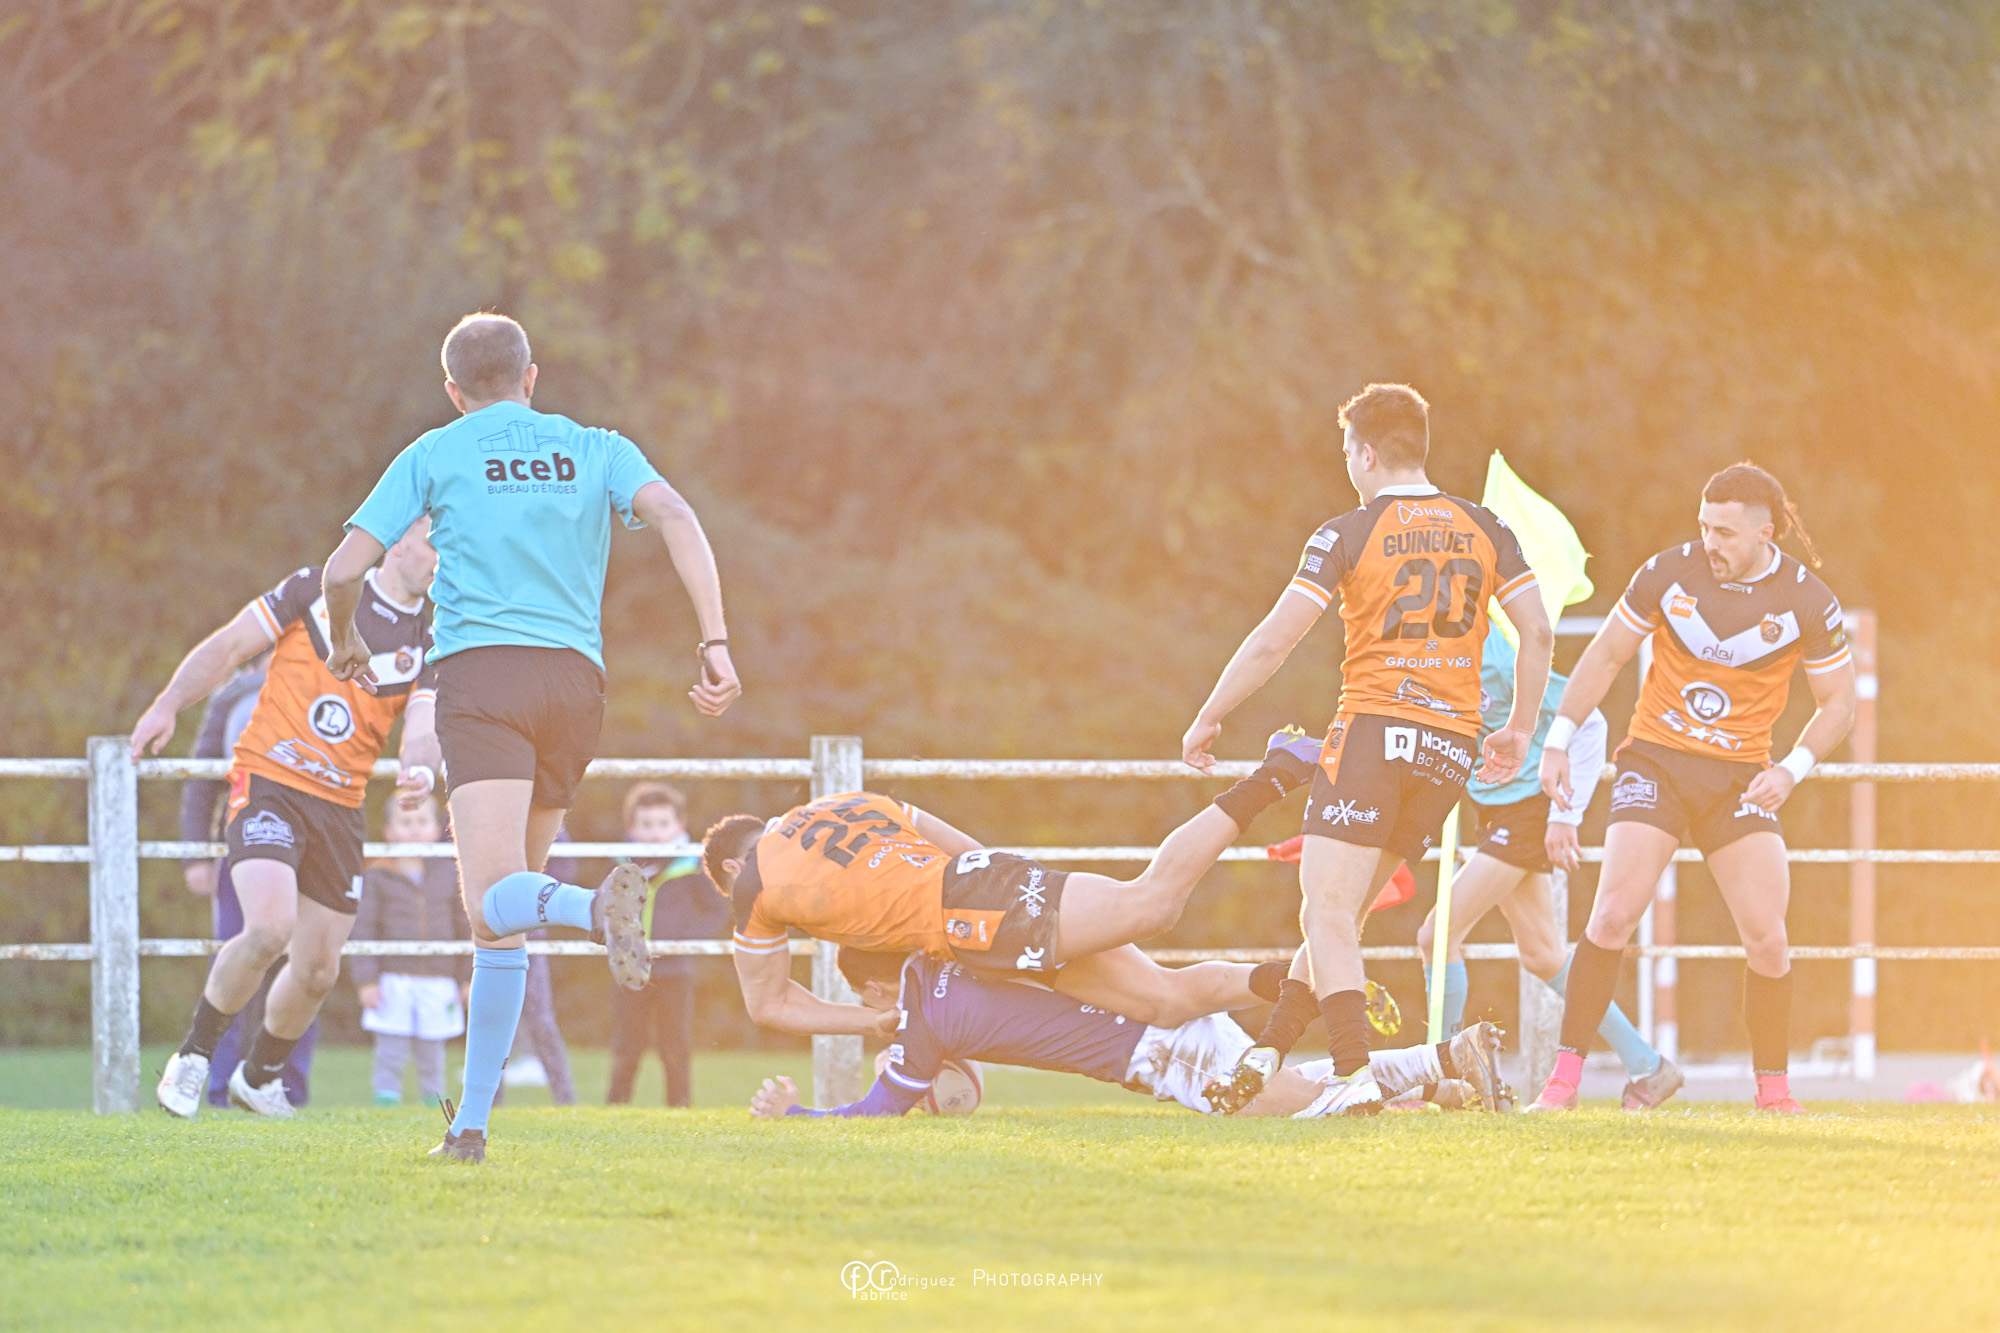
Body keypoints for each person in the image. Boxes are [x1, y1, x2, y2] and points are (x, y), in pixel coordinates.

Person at [326, 312, 740, 1162]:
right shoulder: (596, 447)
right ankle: (470, 1127)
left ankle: (592, 908)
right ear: (530, 377)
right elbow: (675, 512)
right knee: (504, 922)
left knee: (490, 901)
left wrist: (345, 639)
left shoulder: (434, 451)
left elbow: (342, 570)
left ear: (453, 391)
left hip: (483, 680)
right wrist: (716, 641)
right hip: (575, 687)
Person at [1182, 383, 1554, 1117]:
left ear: (1366, 453)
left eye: (1346, 451)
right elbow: (1538, 631)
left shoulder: (1348, 532)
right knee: (1340, 918)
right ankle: (1272, 1048)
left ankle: (1353, 1078)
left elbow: (1275, 640)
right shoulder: (1486, 527)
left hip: (1375, 734)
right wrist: (1519, 728)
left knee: (1324, 908)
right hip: (1450, 747)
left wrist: (1209, 714)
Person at [1526, 463, 1856, 1113]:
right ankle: (1560, 1086)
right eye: (1704, 527)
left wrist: (1790, 769)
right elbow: (1608, 654)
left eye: (1725, 532)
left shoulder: (1807, 600)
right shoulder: (1668, 572)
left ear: (1765, 532)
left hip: (1739, 778)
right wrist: (1557, 739)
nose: (1710, 542)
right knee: (1612, 915)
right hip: (1657, 762)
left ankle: (1774, 1095)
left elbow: (1839, 702)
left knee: (1768, 937)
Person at [701, 728, 1327, 1043]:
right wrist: (1003, 891)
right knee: (1162, 1003)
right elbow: (965, 849)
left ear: (732, 868)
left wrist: (873, 1023)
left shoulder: (753, 884)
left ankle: (1280, 767)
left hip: (975, 919)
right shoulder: (846, 802)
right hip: (978, 900)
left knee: (1152, 904)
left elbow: (768, 1005)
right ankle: (1314, 984)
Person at [141, 521, 441, 1119]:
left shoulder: (432, 637)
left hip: (341, 807)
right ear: (400, 541)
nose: (445, 559)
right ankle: (193, 1057)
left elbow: (424, 724)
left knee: (319, 970)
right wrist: (168, 703)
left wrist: (421, 770)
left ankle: (260, 1077)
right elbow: (231, 645)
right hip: (269, 782)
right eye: (439, 544)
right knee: (269, 928)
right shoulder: (316, 588)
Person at [747, 947, 1506, 1119]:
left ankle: (1422, 1097)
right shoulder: (946, 953)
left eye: (866, 999)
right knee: (1292, 1086)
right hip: (1155, 1010)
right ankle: (1447, 1058)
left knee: (1298, 1111)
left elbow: (876, 1111)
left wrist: (795, 1114)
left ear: (873, 987)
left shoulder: (922, 1020)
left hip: (1154, 1052)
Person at [1414, 623, 1680, 1109]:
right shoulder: (1417, 651)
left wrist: (1564, 815)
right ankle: (1648, 1065)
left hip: (1527, 813)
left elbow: (1589, 722)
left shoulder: (1498, 656)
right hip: (1493, 812)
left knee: (1437, 935)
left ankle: (1447, 1080)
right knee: (1542, 955)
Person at [177, 655, 319, 1107]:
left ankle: (287, 1087)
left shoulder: (322, 686)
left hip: (310, 847)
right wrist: (196, 855)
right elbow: (203, 780)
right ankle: (219, 1088)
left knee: (305, 966)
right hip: (245, 846)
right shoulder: (233, 697)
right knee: (236, 960)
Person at [607, 783, 726, 1107]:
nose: (655, 832)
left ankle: (680, 1109)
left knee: (675, 1046)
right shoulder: (620, 864)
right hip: (630, 968)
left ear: (679, 826)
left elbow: (716, 911)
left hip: (675, 971)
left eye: (663, 824)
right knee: (627, 1046)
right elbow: (602, 908)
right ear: (632, 828)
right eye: (646, 824)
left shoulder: (691, 864)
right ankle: (614, 1109)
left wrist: (685, 942)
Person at [351, 794, 469, 1107]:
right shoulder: (377, 875)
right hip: (393, 978)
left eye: (422, 821)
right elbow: (363, 929)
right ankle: (386, 1101)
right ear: (389, 832)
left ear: (437, 829)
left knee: (433, 1052)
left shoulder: (451, 873)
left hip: (439, 979)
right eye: (405, 822)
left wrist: (466, 978)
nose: (414, 828)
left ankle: (434, 1103)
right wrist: (366, 980)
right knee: (391, 1050)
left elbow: (464, 927)